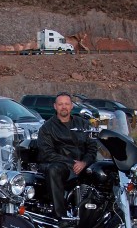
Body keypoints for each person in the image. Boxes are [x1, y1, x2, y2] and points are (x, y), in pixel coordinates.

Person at [37, 92, 97, 220]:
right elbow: (47, 153)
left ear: (71, 106)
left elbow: (92, 147)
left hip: (83, 163)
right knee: (54, 170)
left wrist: (84, 162)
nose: (64, 107)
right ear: (55, 106)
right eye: (60, 104)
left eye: (67, 104)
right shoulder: (46, 128)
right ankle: (61, 216)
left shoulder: (83, 124)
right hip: (62, 165)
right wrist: (71, 163)